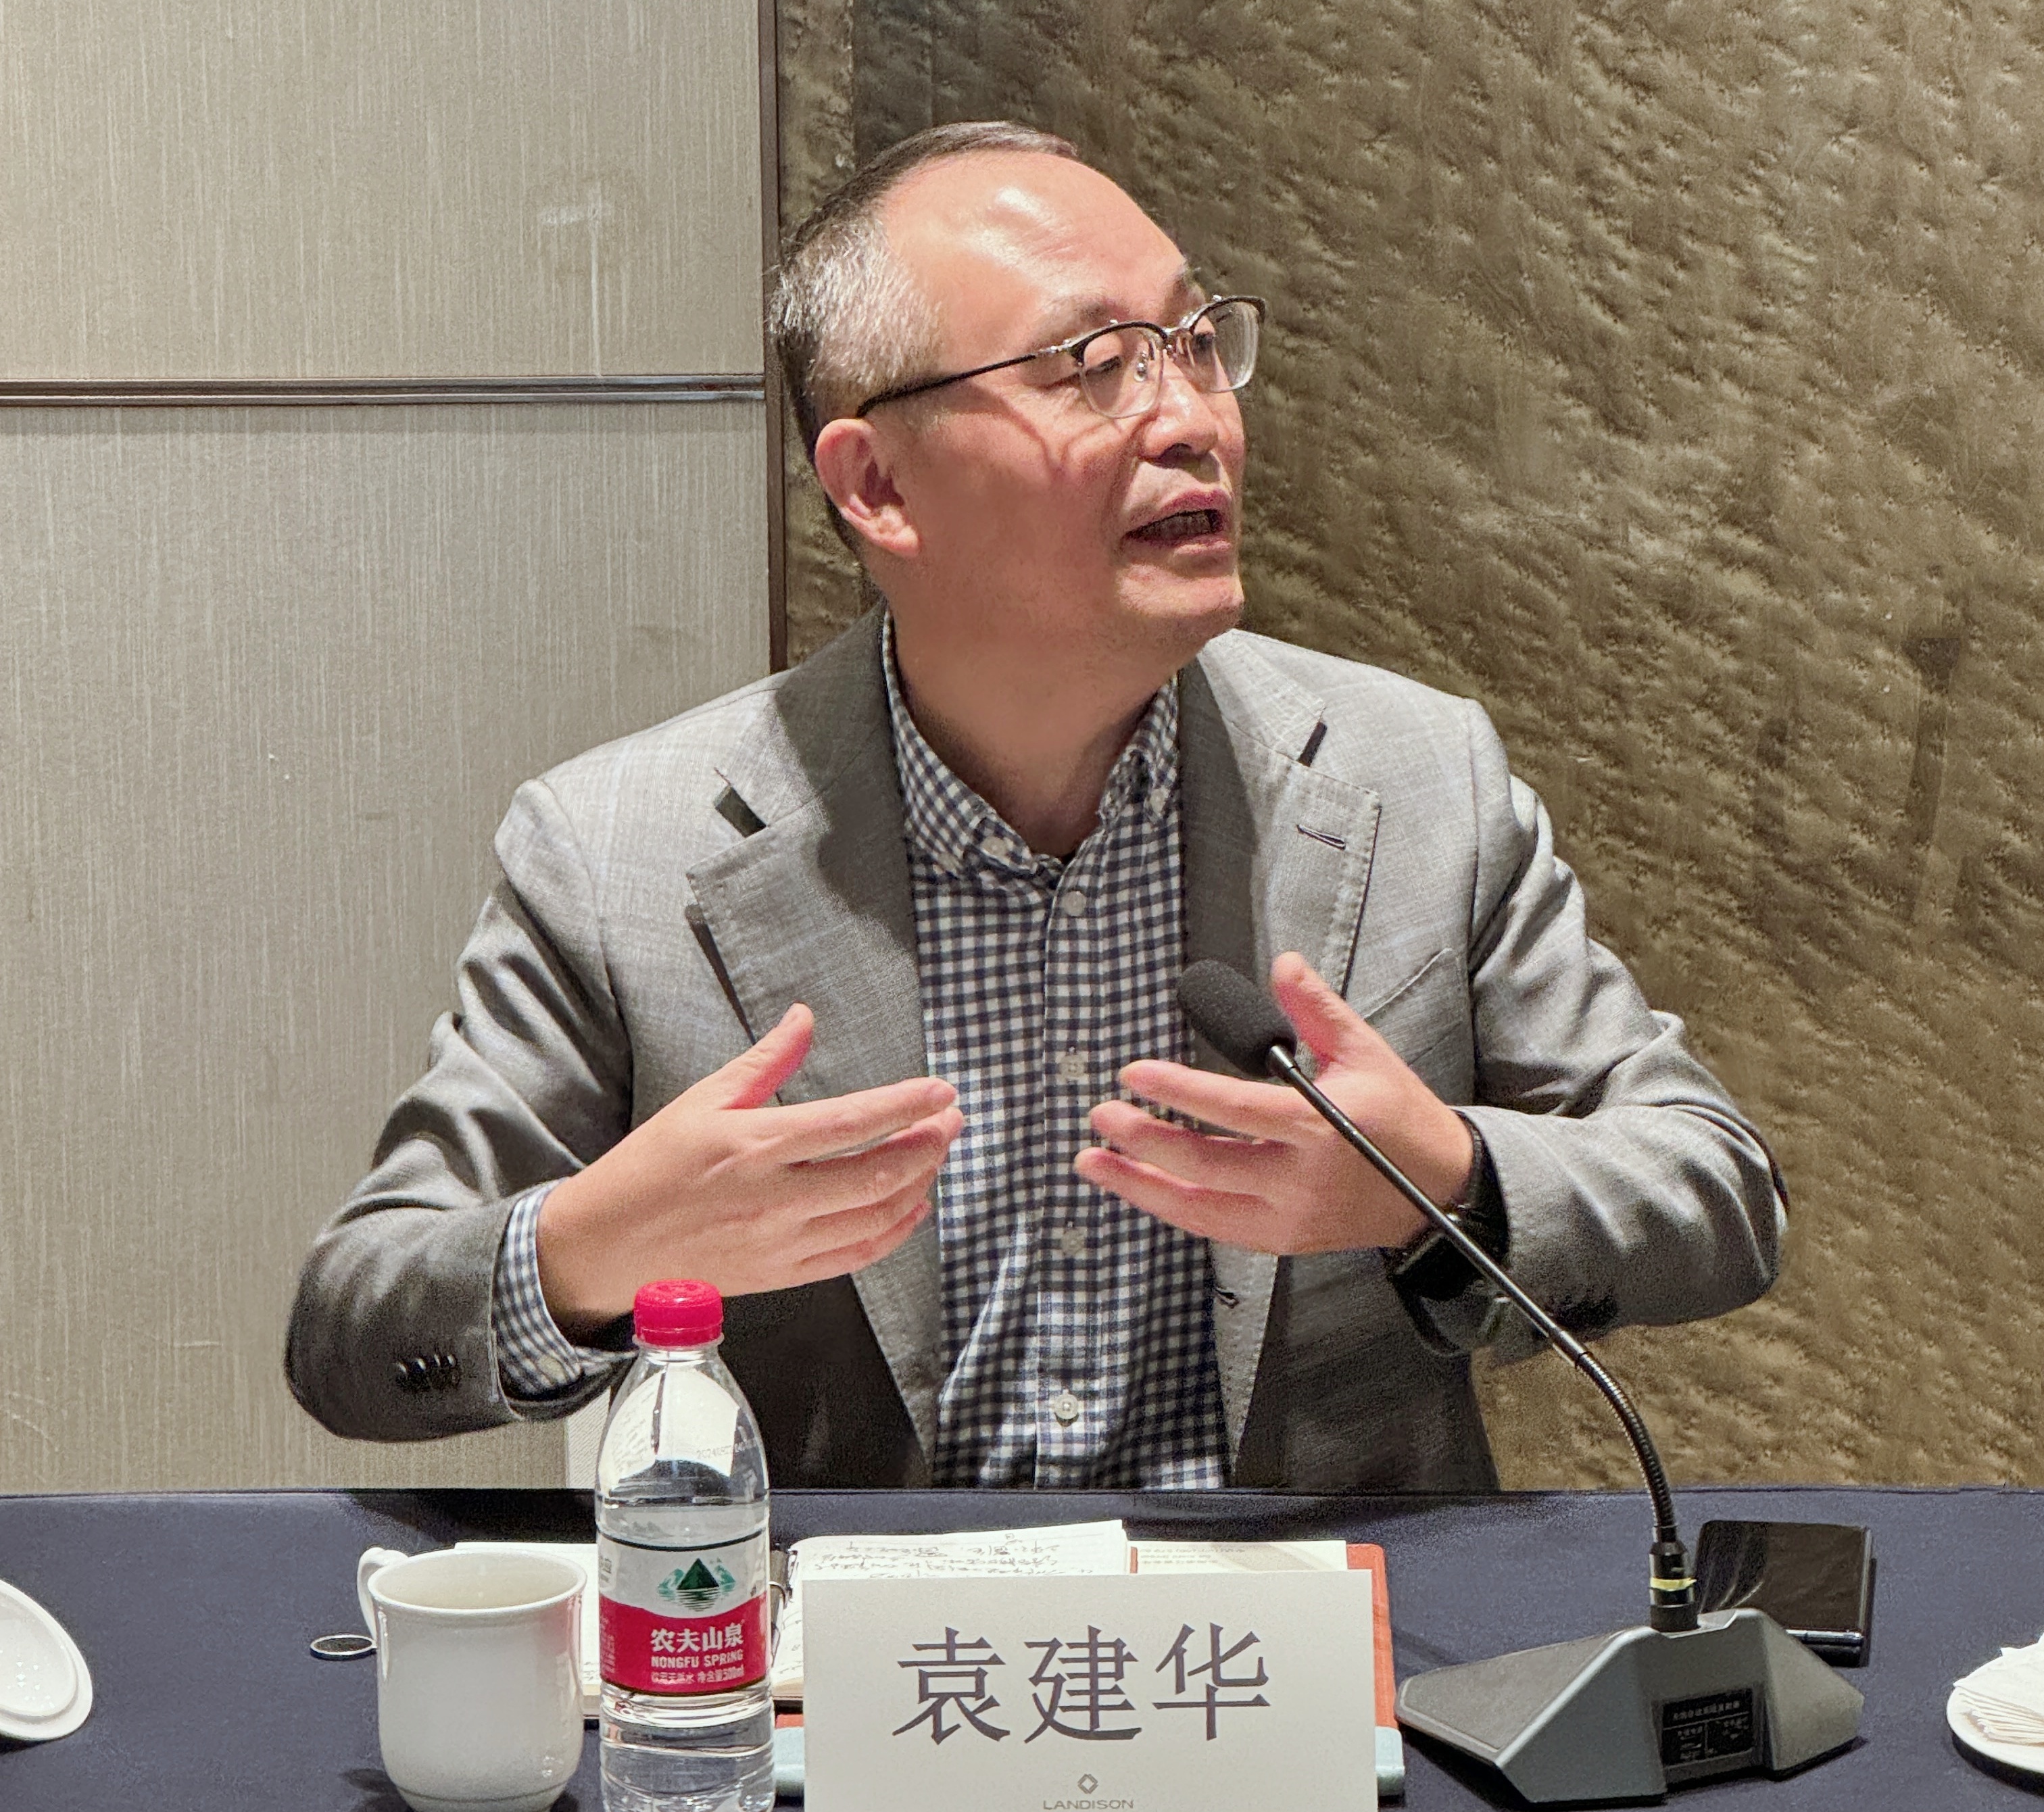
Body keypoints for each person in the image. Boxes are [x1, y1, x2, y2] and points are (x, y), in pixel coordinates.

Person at [286, 121, 1785, 1491]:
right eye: (1096, 363)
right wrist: (589, 1249)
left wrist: (1436, 1184)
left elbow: (1713, 1185)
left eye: (1196, 344)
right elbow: (356, 1327)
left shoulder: (1416, 780)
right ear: (877, 484)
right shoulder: (620, 852)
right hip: (861, 1674)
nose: (1192, 418)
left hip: (1301, 1655)